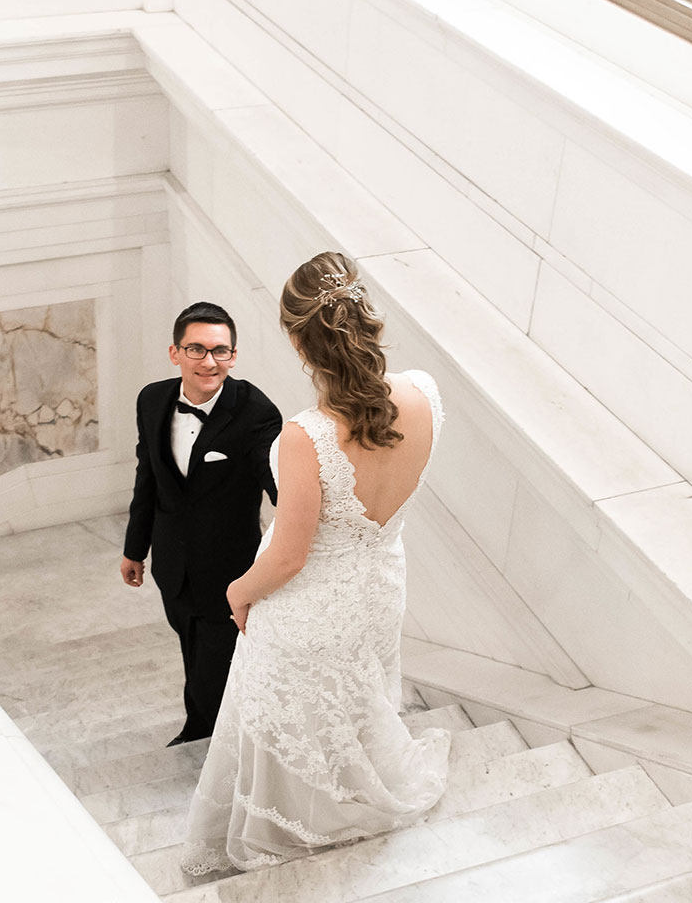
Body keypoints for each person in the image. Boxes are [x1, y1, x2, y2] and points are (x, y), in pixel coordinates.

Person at [181, 251, 451, 874]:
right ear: (367, 319)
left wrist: (237, 592)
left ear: (302, 346)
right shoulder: (424, 395)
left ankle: (308, 820)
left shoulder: (306, 437)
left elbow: (289, 553)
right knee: (359, 696)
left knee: (294, 713)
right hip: (381, 584)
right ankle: (358, 789)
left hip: (310, 605)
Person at [122, 302, 284, 746]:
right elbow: (148, 475)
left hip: (229, 572)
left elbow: (282, 493)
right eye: (196, 349)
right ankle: (207, 730)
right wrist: (135, 548)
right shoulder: (152, 399)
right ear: (175, 352)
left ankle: (208, 741)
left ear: (233, 356)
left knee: (216, 667)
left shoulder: (256, 412)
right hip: (172, 565)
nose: (209, 362)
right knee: (191, 648)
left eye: (221, 351)